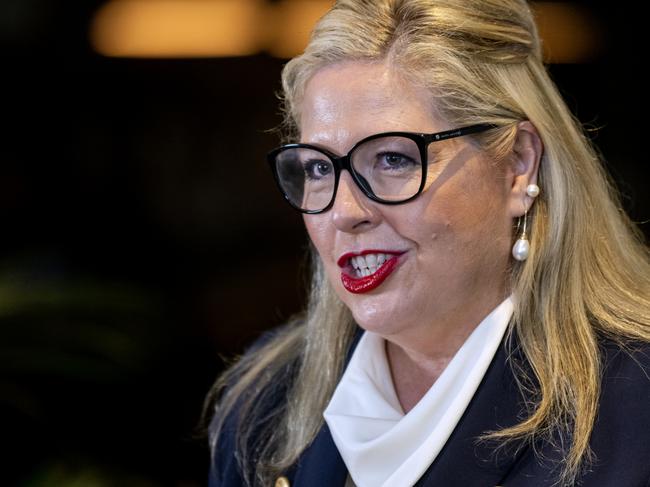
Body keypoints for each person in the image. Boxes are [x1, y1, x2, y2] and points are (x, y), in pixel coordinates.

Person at [205, 1, 650, 486]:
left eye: (393, 159)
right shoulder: (264, 399)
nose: (345, 212)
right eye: (318, 167)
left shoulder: (634, 403)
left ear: (518, 165)